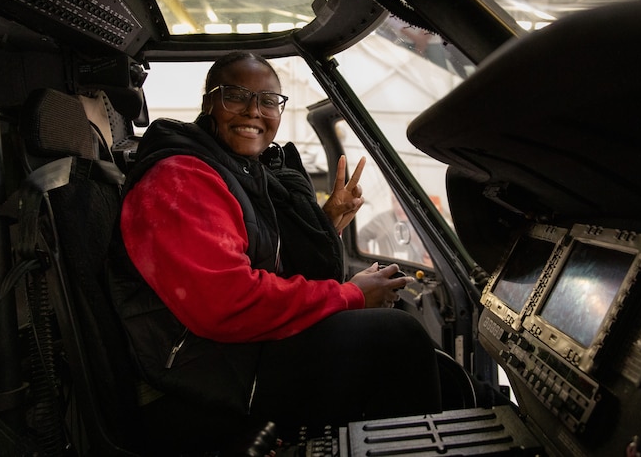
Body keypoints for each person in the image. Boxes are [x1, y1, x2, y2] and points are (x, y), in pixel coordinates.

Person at [107, 51, 442, 437]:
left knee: (427, 362)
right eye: (235, 95)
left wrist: (328, 222)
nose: (253, 111)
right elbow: (229, 303)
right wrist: (349, 295)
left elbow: (257, 256)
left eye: (268, 101)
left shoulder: (236, 168)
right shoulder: (180, 180)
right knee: (397, 340)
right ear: (208, 104)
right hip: (201, 371)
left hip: (230, 353)